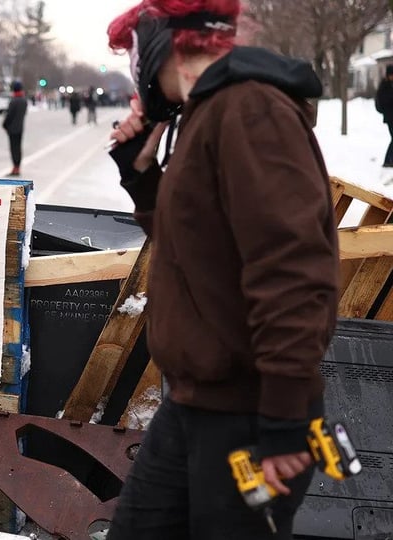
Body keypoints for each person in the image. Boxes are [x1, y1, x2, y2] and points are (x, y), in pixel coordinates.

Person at [104, 1, 338, 539]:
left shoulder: (249, 110)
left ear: (164, 41)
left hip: (247, 415)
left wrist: (281, 420)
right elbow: (193, 254)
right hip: (193, 406)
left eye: (134, 52)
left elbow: (293, 270)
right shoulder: (206, 112)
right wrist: (141, 173)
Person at [2, 80, 27, 176]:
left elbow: (9, 115)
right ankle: (18, 166)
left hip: (12, 129)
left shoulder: (14, 101)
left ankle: (15, 167)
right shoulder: (24, 101)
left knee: (13, 148)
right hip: (20, 127)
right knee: (18, 147)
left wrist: (4, 125)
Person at [375, 65, 393, 167]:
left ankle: (389, 160)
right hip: (390, 117)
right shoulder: (385, 86)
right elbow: (384, 100)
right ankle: (387, 160)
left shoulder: (390, 85)